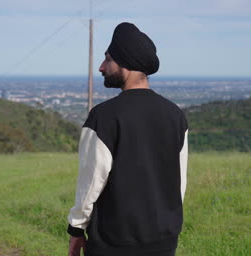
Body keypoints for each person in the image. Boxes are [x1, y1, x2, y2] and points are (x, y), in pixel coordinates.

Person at [67, 22, 188, 256]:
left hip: (114, 244)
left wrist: (76, 229)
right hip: (164, 242)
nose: (101, 67)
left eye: (108, 59)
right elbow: (178, 182)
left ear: (126, 63)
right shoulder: (175, 115)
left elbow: (91, 182)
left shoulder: (103, 117)